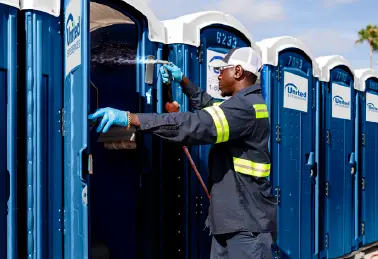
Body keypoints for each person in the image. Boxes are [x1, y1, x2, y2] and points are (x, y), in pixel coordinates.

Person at [88, 47, 277, 258]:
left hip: (246, 227)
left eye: (222, 70)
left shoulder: (244, 107)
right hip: (233, 221)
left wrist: (133, 118)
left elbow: (197, 123)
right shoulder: (244, 104)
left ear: (238, 72)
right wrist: (183, 81)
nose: (218, 75)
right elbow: (210, 105)